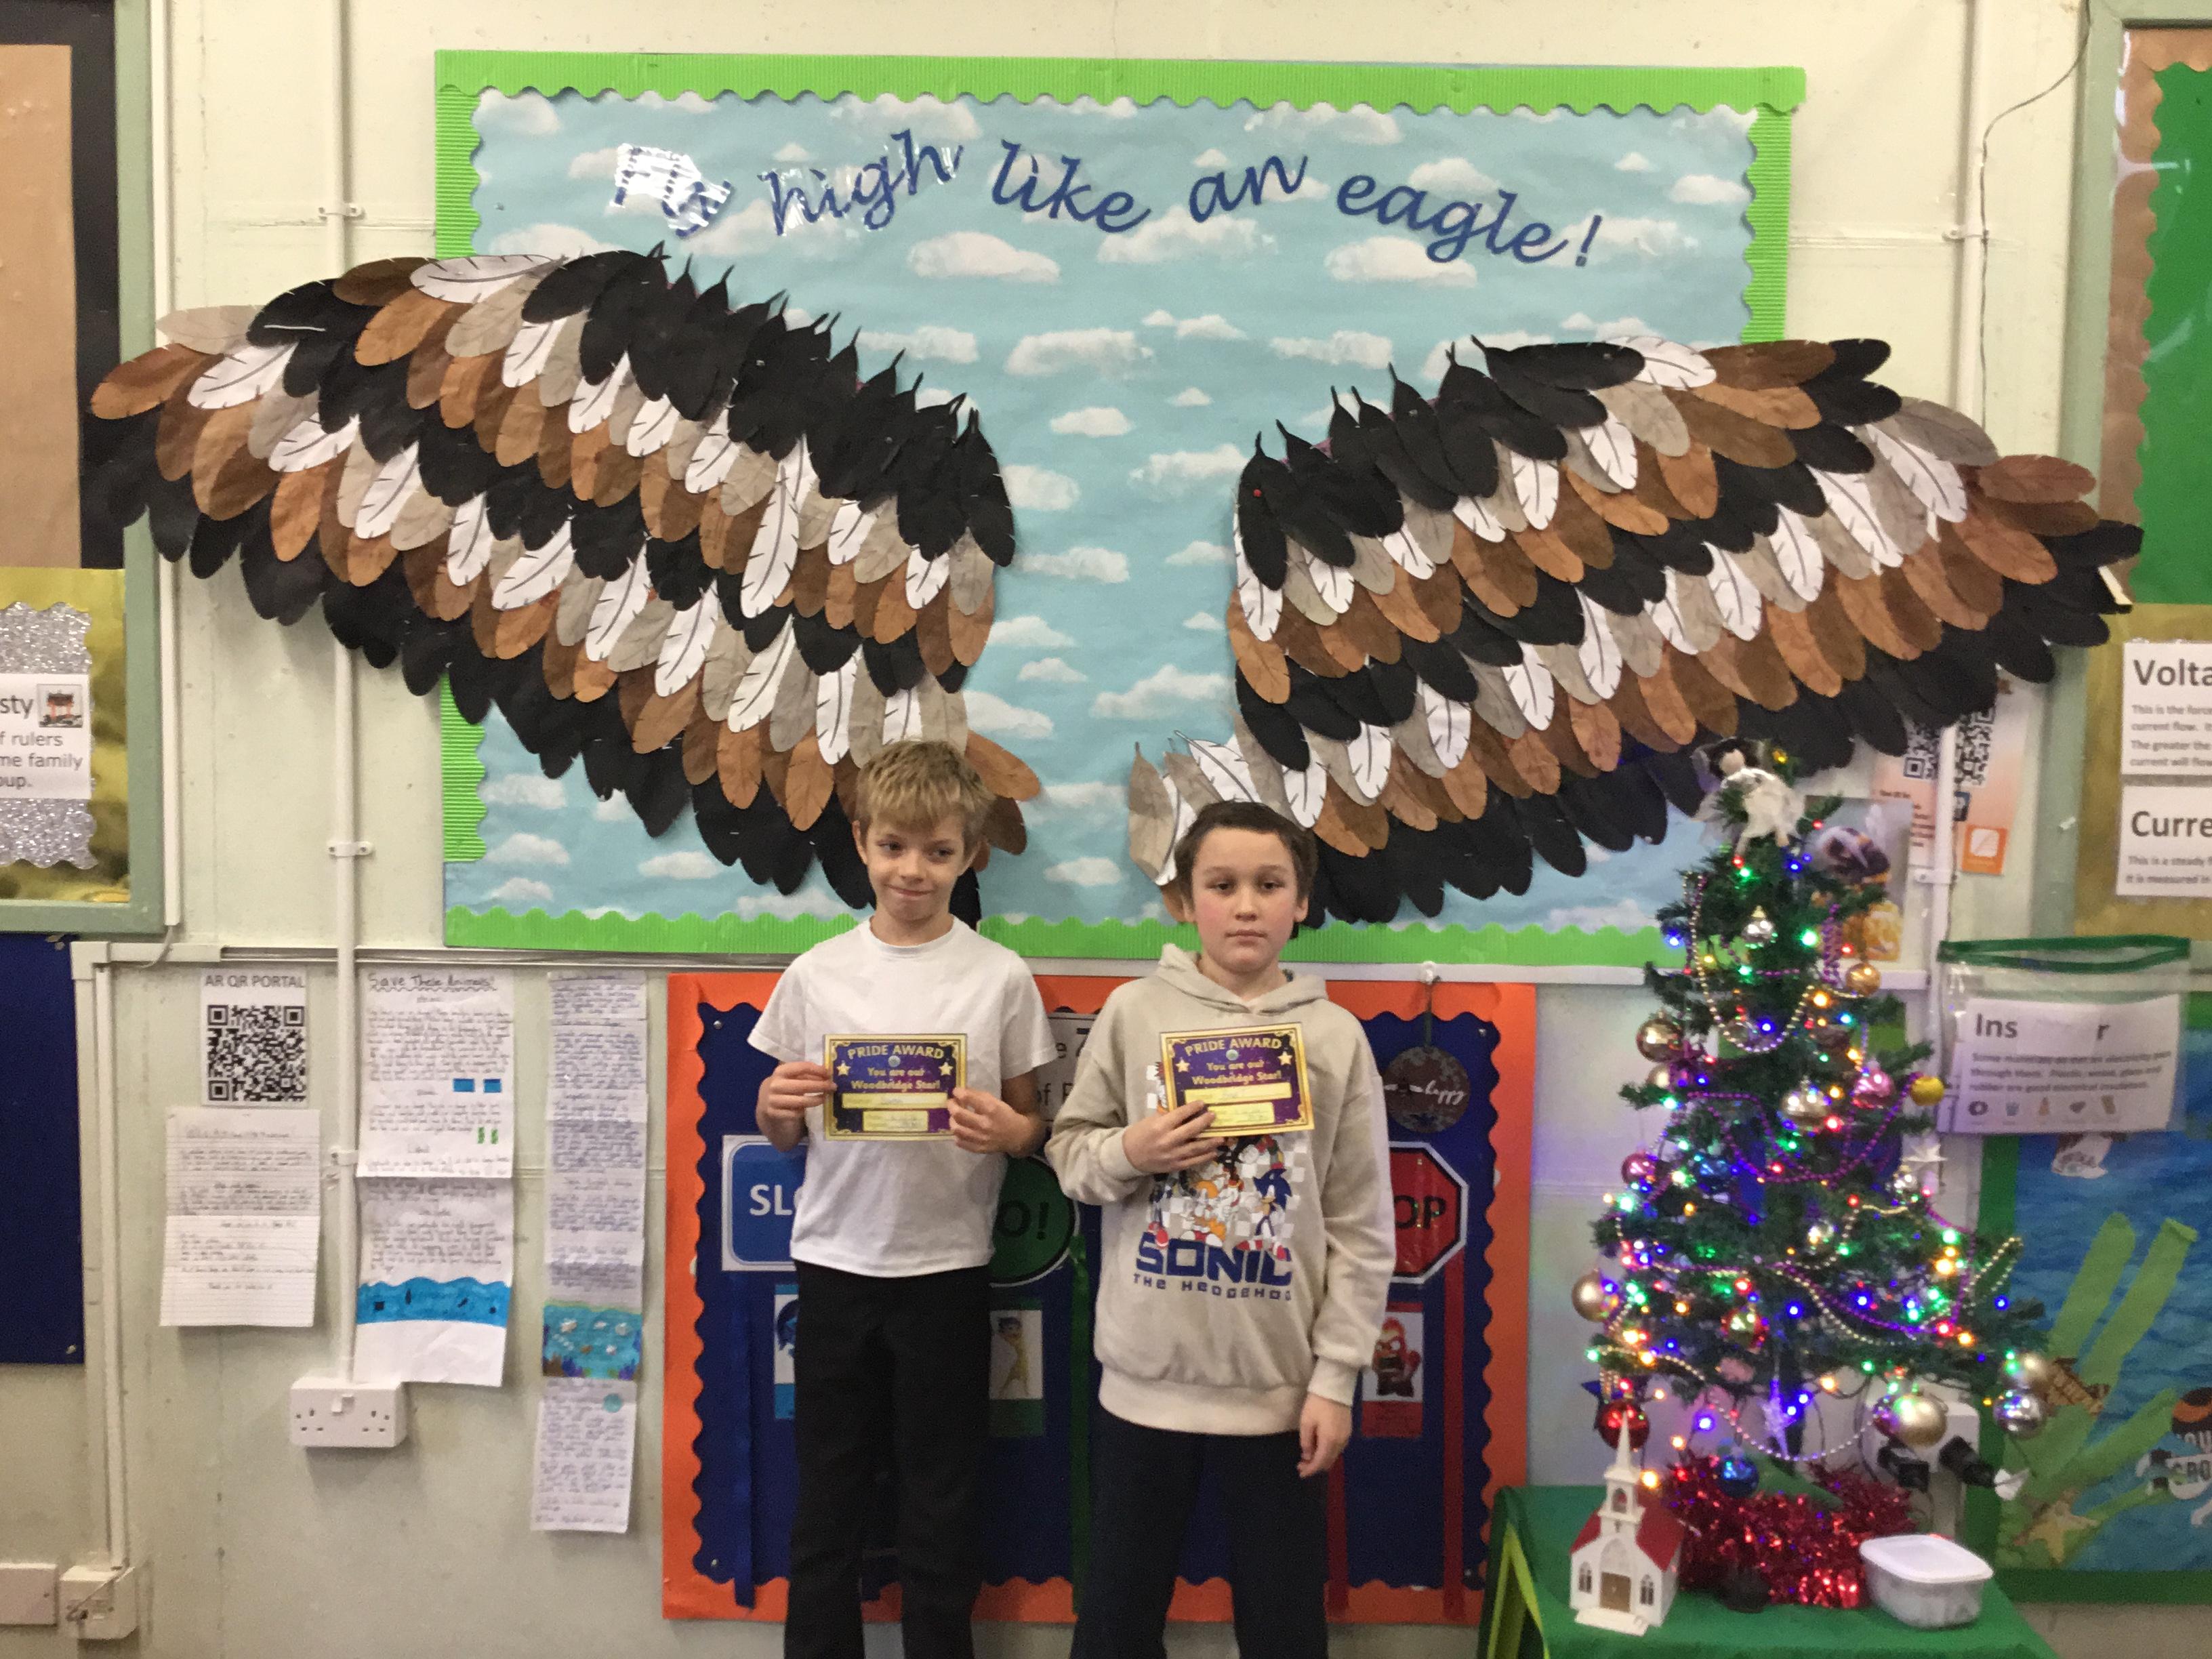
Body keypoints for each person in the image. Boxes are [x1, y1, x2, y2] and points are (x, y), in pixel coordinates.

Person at [1047, 799, 1394, 1659]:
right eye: (1223, 885)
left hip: (1280, 1398)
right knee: (1117, 1621)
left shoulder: (1335, 1037)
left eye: (1268, 885)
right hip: (1143, 1386)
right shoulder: (1134, 1013)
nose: (1245, 906)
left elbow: (1360, 1223)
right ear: (1184, 900)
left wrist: (1335, 1379)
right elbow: (1071, 1154)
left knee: (1283, 1627)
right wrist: (1131, 1150)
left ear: (1300, 901)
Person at [750, 738, 1059, 1659]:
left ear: (970, 855)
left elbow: (1031, 1122)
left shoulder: (999, 976)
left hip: (948, 1271)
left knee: (941, 1506)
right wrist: (773, 1108)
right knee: (827, 1504)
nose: (912, 870)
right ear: (861, 842)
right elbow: (782, 1131)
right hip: (835, 1265)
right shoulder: (817, 974)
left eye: (937, 851)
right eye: (892, 846)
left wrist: (1012, 1132)